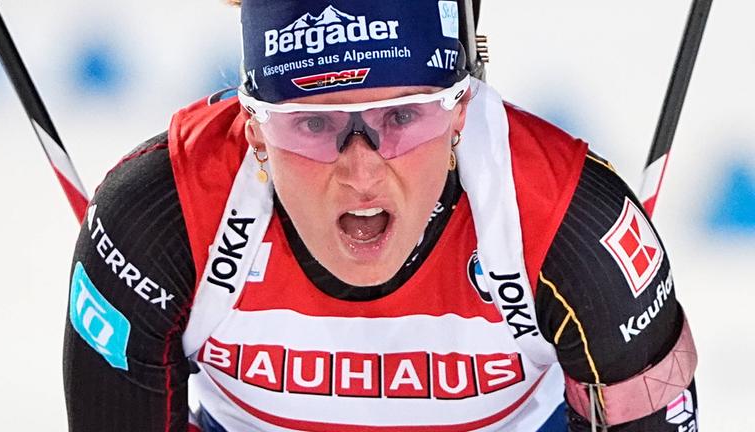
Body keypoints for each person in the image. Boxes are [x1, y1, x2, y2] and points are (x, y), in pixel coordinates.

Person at [63, 0, 699, 431]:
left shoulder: (565, 223)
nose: (361, 172)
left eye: (401, 117)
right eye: (313, 125)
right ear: (255, 129)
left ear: (460, 110)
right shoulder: (164, 217)